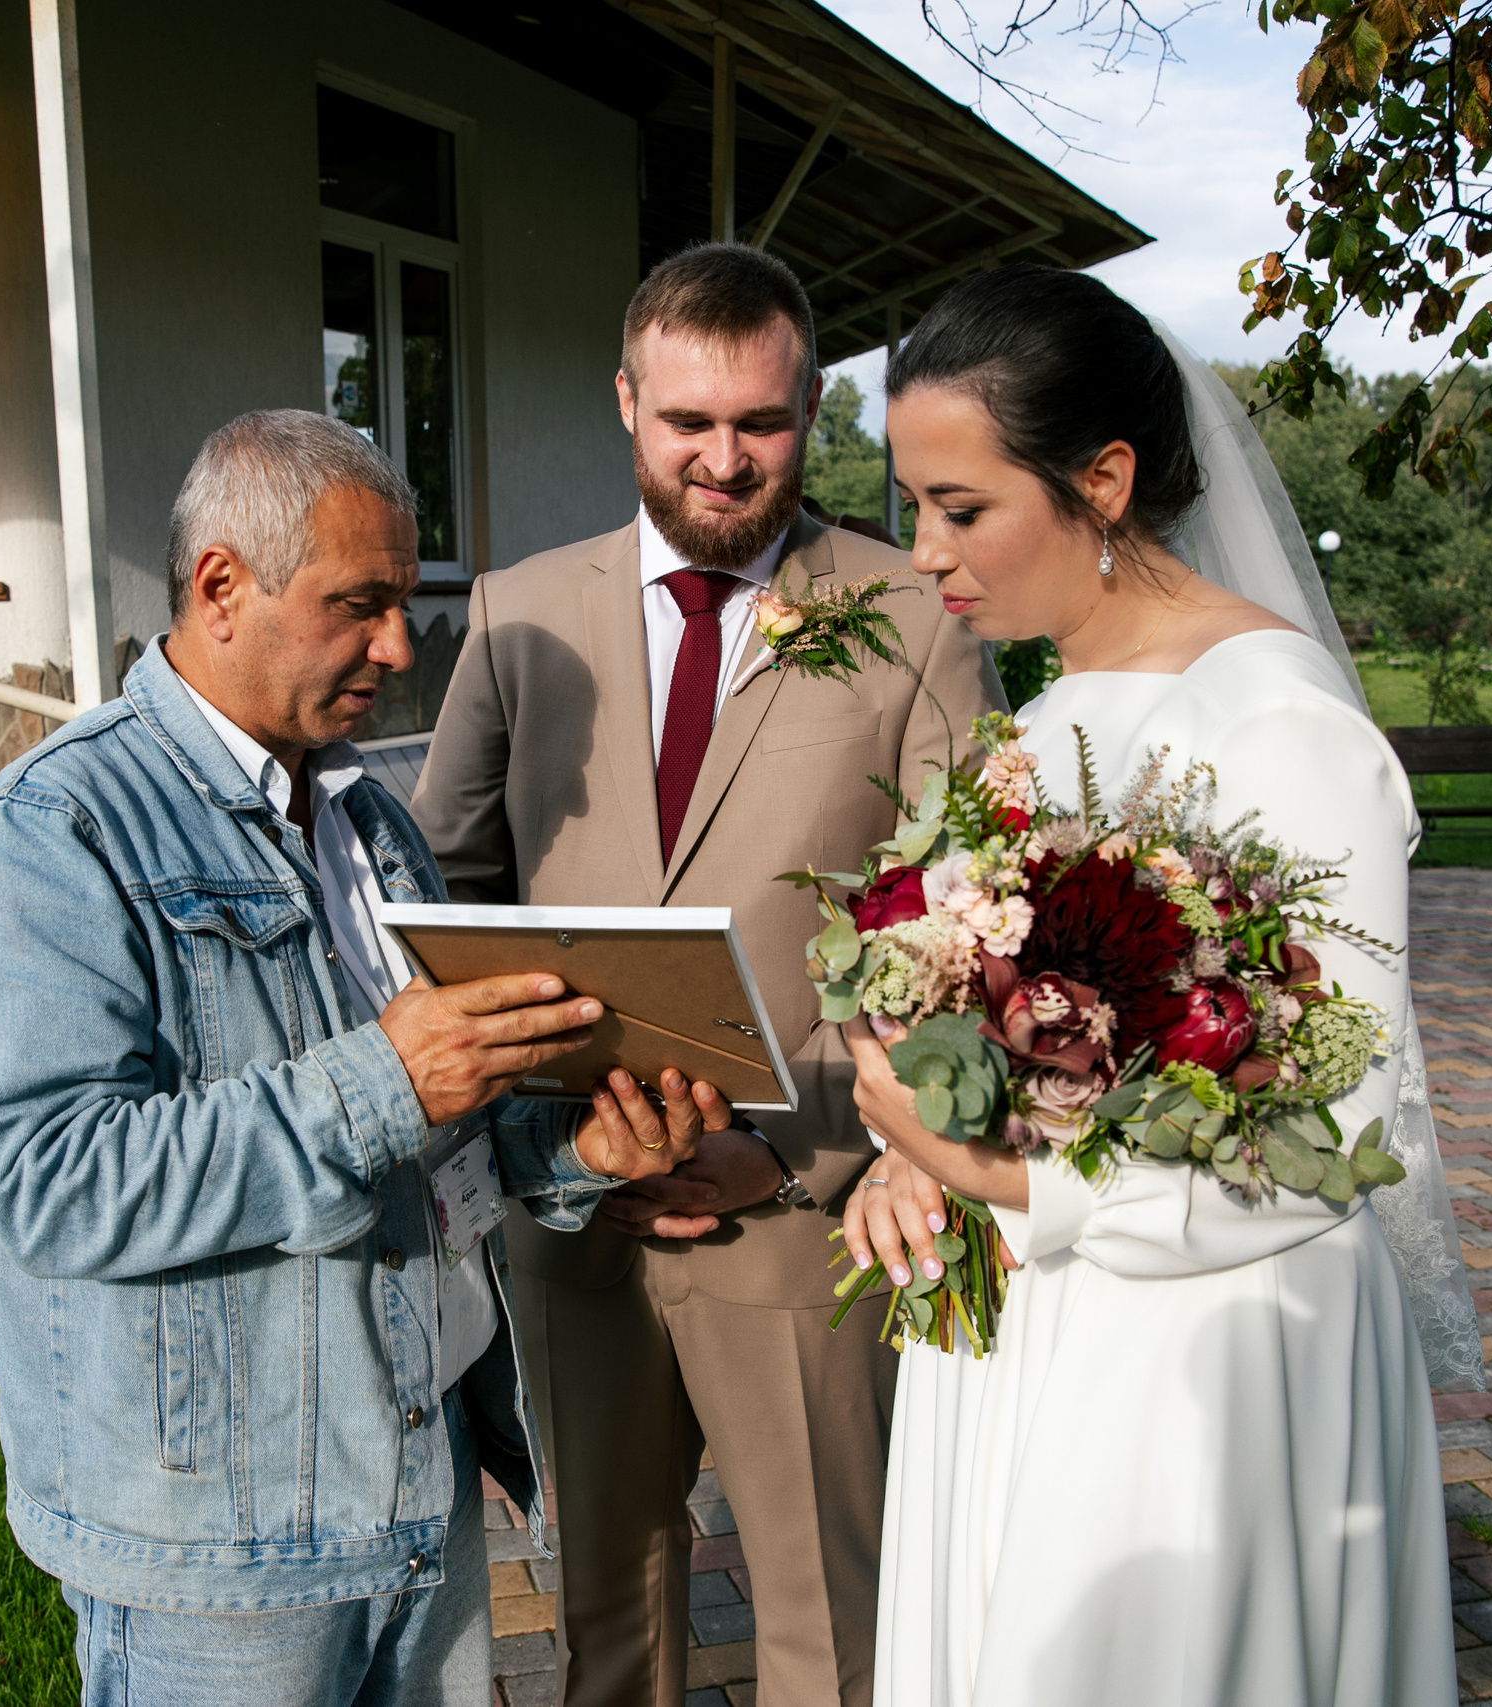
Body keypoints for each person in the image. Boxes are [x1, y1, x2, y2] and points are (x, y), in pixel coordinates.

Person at [0, 410, 732, 1707]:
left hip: (418, 1489)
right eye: (360, 604)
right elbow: (55, 1185)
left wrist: (583, 1147)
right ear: (222, 587)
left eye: (405, 602)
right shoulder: (53, 833)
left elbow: (438, 1129)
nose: (402, 647)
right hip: (224, 1553)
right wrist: (384, 1079)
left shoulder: (369, 819)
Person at [838, 265, 1464, 1706]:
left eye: (962, 505)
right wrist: (902, 1159)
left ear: (1102, 478)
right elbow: (969, 1021)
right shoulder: (1040, 721)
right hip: (1027, 1326)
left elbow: (1326, 1144)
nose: (923, 550)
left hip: (1201, 1360)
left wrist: (1007, 1181)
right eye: (913, 501)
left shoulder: (1280, 729)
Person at [411, 243, 1007, 1707]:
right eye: (688, 421)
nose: (726, 459)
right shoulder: (518, 611)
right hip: (576, 1213)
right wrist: (550, 1142)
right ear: (627, 402)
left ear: (814, 409)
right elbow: (445, 903)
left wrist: (819, 1153)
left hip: (806, 1211)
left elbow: (975, 926)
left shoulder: (920, 614)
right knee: (603, 1609)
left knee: (830, 1623)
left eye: (763, 421)